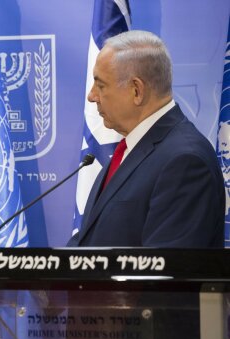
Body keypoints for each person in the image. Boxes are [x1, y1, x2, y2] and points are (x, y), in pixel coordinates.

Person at [68, 30, 224, 247]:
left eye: (101, 85)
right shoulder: (130, 148)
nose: (91, 96)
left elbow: (164, 272)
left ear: (136, 91)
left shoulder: (184, 161)